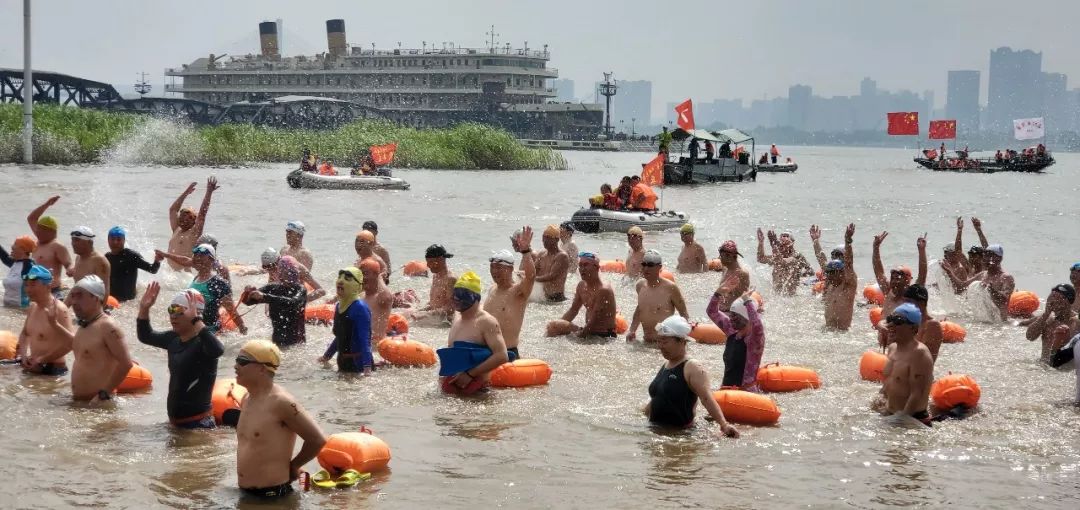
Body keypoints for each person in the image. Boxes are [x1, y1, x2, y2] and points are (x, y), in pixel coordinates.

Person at [235, 339, 326, 499]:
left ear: (262, 368)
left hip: (273, 497)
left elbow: (317, 439)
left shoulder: (282, 402)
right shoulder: (247, 398)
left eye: (242, 361)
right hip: (245, 494)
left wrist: (295, 465)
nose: (236, 366)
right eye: (237, 360)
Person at [136, 283, 224, 428]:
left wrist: (196, 320)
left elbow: (218, 350)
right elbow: (145, 336)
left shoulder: (203, 343)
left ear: (196, 314)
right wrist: (144, 308)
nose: (173, 316)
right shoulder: (173, 339)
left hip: (198, 425)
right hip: (176, 424)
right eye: (171, 310)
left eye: (179, 311)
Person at [643, 314, 739, 437]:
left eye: (665, 341)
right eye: (659, 341)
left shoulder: (692, 367)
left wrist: (724, 425)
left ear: (682, 341)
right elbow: (658, 397)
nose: (660, 346)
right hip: (656, 432)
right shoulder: (666, 365)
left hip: (680, 437)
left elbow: (707, 399)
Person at [440, 271, 510, 395]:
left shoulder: (487, 321)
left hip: (478, 390)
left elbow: (502, 355)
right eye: (455, 293)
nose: (456, 298)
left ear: (475, 297)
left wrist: (469, 374)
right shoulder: (457, 318)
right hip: (452, 387)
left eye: (462, 294)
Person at [67, 275, 134, 403]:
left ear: (96, 298)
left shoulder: (107, 326)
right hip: (80, 404)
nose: (74, 302)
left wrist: (104, 394)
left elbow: (126, 364)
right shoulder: (84, 326)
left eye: (80, 296)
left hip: (98, 405)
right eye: (73, 296)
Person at [875, 303, 935, 427]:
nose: (891, 325)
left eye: (898, 321)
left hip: (912, 419)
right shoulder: (892, 348)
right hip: (891, 415)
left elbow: (917, 393)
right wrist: (880, 399)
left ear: (913, 328)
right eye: (890, 319)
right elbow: (890, 381)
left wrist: (900, 419)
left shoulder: (919, 354)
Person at [484, 228, 535, 359]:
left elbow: (531, 277)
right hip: (486, 351)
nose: (494, 271)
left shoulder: (518, 292)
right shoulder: (492, 289)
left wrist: (525, 251)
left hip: (508, 353)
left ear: (511, 269)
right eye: (492, 267)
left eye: (499, 268)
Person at [16, 265, 74, 375]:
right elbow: (24, 334)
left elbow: (71, 343)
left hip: (53, 370)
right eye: (26, 285)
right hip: (33, 366)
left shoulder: (59, 310)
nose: (28, 289)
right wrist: (23, 356)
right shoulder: (33, 307)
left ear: (48, 286)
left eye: (33, 285)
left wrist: (42, 360)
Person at [546, 253, 618, 338]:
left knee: (555, 327)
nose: (582, 269)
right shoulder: (581, 286)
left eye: (586, 265)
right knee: (552, 327)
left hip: (604, 335)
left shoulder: (603, 290)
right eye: (580, 265)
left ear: (596, 268)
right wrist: (558, 324)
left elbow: (594, 320)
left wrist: (580, 337)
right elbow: (573, 310)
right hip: (588, 331)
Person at [242, 256, 307, 347]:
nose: (290, 273)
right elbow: (247, 302)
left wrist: (265, 296)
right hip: (277, 341)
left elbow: (293, 303)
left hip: (297, 344)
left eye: (292, 270)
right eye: (285, 270)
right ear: (279, 271)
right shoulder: (271, 288)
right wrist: (247, 292)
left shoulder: (300, 289)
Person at [318, 267, 374, 374]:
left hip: (358, 365)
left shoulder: (360, 308)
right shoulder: (339, 306)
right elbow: (341, 336)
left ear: (358, 286)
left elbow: (364, 340)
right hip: (342, 361)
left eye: (348, 278)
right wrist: (326, 356)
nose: (340, 281)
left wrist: (367, 369)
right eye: (340, 277)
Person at [707, 289, 764, 391]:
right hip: (726, 390)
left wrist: (747, 300)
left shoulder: (754, 340)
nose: (731, 318)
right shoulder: (732, 331)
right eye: (730, 314)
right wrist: (718, 293)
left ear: (747, 318)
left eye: (735, 315)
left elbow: (757, 325)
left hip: (746, 392)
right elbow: (712, 311)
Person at [626, 251, 688, 343]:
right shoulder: (640, 285)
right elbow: (640, 309)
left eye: (650, 265)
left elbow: (684, 314)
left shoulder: (670, 288)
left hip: (664, 344)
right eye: (644, 264)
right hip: (646, 342)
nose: (646, 268)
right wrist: (632, 330)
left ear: (659, 267)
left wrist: (681, 340)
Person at [188, 244, 246, 334]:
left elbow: (231, 309)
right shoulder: (196, 278)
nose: (197, 258)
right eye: (195, 255)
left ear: (211, 260)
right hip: (194, 328)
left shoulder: (217, 283)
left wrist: (242, 328)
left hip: (209, 331)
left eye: (201, 256)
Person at [871, 231, 927, 317]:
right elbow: (879, 272)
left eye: (898, 278)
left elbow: (922, 275)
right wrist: (876, 247)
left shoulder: (913, 297)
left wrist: (922, 251)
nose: (894, 281)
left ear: (907, 280)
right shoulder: (888, 292)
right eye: (892, 278)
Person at [26, 196, 73, 296]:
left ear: (52, 231)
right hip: (36, 291)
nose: (37, 232)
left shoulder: (57, 246)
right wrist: (47, 204)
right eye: (37, 229)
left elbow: (68, 263)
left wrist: (70, 269)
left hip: (53, 291)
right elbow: (31, 218)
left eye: (41, 230)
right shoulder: (39, 240)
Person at [167, 178, 217, 272]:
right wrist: (186, 193)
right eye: (182, 216)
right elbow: (173, 210)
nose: (184, 220)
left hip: (184, 276)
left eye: (189, 218)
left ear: (194, 222)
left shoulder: (194, 233)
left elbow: (202, 214)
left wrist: (209, 192)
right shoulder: (176, 229)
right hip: (170, 274)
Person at [104, 226, 162, 303]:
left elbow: (152, 269)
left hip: (128, 302)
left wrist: (157, 261)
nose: (115, 242)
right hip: (111, 300)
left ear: (124, 240)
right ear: (108, 240)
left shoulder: (132, 256)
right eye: (112, 239)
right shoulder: (106, 257)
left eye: (118, 239)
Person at [1024, 284, 1079, 364]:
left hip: (1065, 369)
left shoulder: (1076, 322)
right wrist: (1046, 313)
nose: (1054, 304)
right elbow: (1029, 337)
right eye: (1052, 300)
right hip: (1044, 367)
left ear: (1068, 301)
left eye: (1058, 300)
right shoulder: (1047, 319)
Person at [406, 244, 457, 326]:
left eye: (431, 262)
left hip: (445, 323)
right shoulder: (435, 276)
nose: (428, 266)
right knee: (406, 316)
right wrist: (420, 311)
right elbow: (434, 303)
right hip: (435, 317)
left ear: (440, 259)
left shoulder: (450, 279)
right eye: (427, 262)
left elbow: (451, 308)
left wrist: (426, 314)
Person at [756, 228, 814, 296]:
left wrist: (798, 275)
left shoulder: (797, 256)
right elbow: (760, 258)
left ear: (792, 243)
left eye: (785, 244)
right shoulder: (776, 256)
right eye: (780, 245)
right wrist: (761, 243)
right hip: (776, 296)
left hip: (790, 297)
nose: (781, 247)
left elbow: (811, 271)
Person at [822, 224, 858, 331]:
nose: (830, 275)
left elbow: (849, 263)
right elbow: (821, 260)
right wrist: (815, 242)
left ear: (841, 272)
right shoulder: (829, 286)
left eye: (834, 273)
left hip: (842, 333)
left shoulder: (848, 285)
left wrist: (848, 241)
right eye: (829, 272)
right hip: (827, 331)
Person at [258, 249, 326, 302]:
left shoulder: (298, 269)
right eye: (265, 267)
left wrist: (300, 302)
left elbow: (321, 290)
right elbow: (270, 292)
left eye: (272, 266)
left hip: (299, 297)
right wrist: (267, 310)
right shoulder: (271, 270)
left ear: (279, 260)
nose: (270, 270)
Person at [68, 226, 112, 306]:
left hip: (94, 308)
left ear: (89, 242)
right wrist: (63, 307)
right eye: (72, 240)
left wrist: (98, 312)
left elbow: (105, 291)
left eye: (77, 240)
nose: (73, 243)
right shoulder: (78, 258)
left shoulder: (99, 261)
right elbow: (76, 287)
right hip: (80, 306)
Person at [900, 284, 943, 361]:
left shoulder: (932, 325)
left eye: (908, 303)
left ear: (922, 303)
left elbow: (924, 359)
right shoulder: (909, 323)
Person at [359, 257, 393, 344]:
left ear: (376, 275)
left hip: (375, 345)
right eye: (360, 274)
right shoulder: (360, 297)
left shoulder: (379, 298)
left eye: (365, 273)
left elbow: (387, 298)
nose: (362, 277)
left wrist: (380, 278)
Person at [534, 225, 570, 302]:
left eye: (548, 237)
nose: (544, 240)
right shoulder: (541, 254)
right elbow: (533, 271)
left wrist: (532, 279)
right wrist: (521, 274)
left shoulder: (562, 256)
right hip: (544, 296)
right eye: (543, 237)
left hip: (557, 298)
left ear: (557, 239)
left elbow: (552, 276)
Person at [714, 240, 750, 312]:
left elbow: (745, 297)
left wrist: (728, 308)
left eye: (721, 256)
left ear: (730, 256)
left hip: (732, 313)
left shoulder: (742, 273)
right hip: (721, 311)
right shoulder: (725, 269)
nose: (719, 258)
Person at [1, 235, 37, 307]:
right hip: (8, 308)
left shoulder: (29, 267)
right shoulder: (15, 263)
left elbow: (36, 288)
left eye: (15, 244)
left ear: (24, 249)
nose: (12, 247)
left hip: (21, 309)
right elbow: (4, 256)